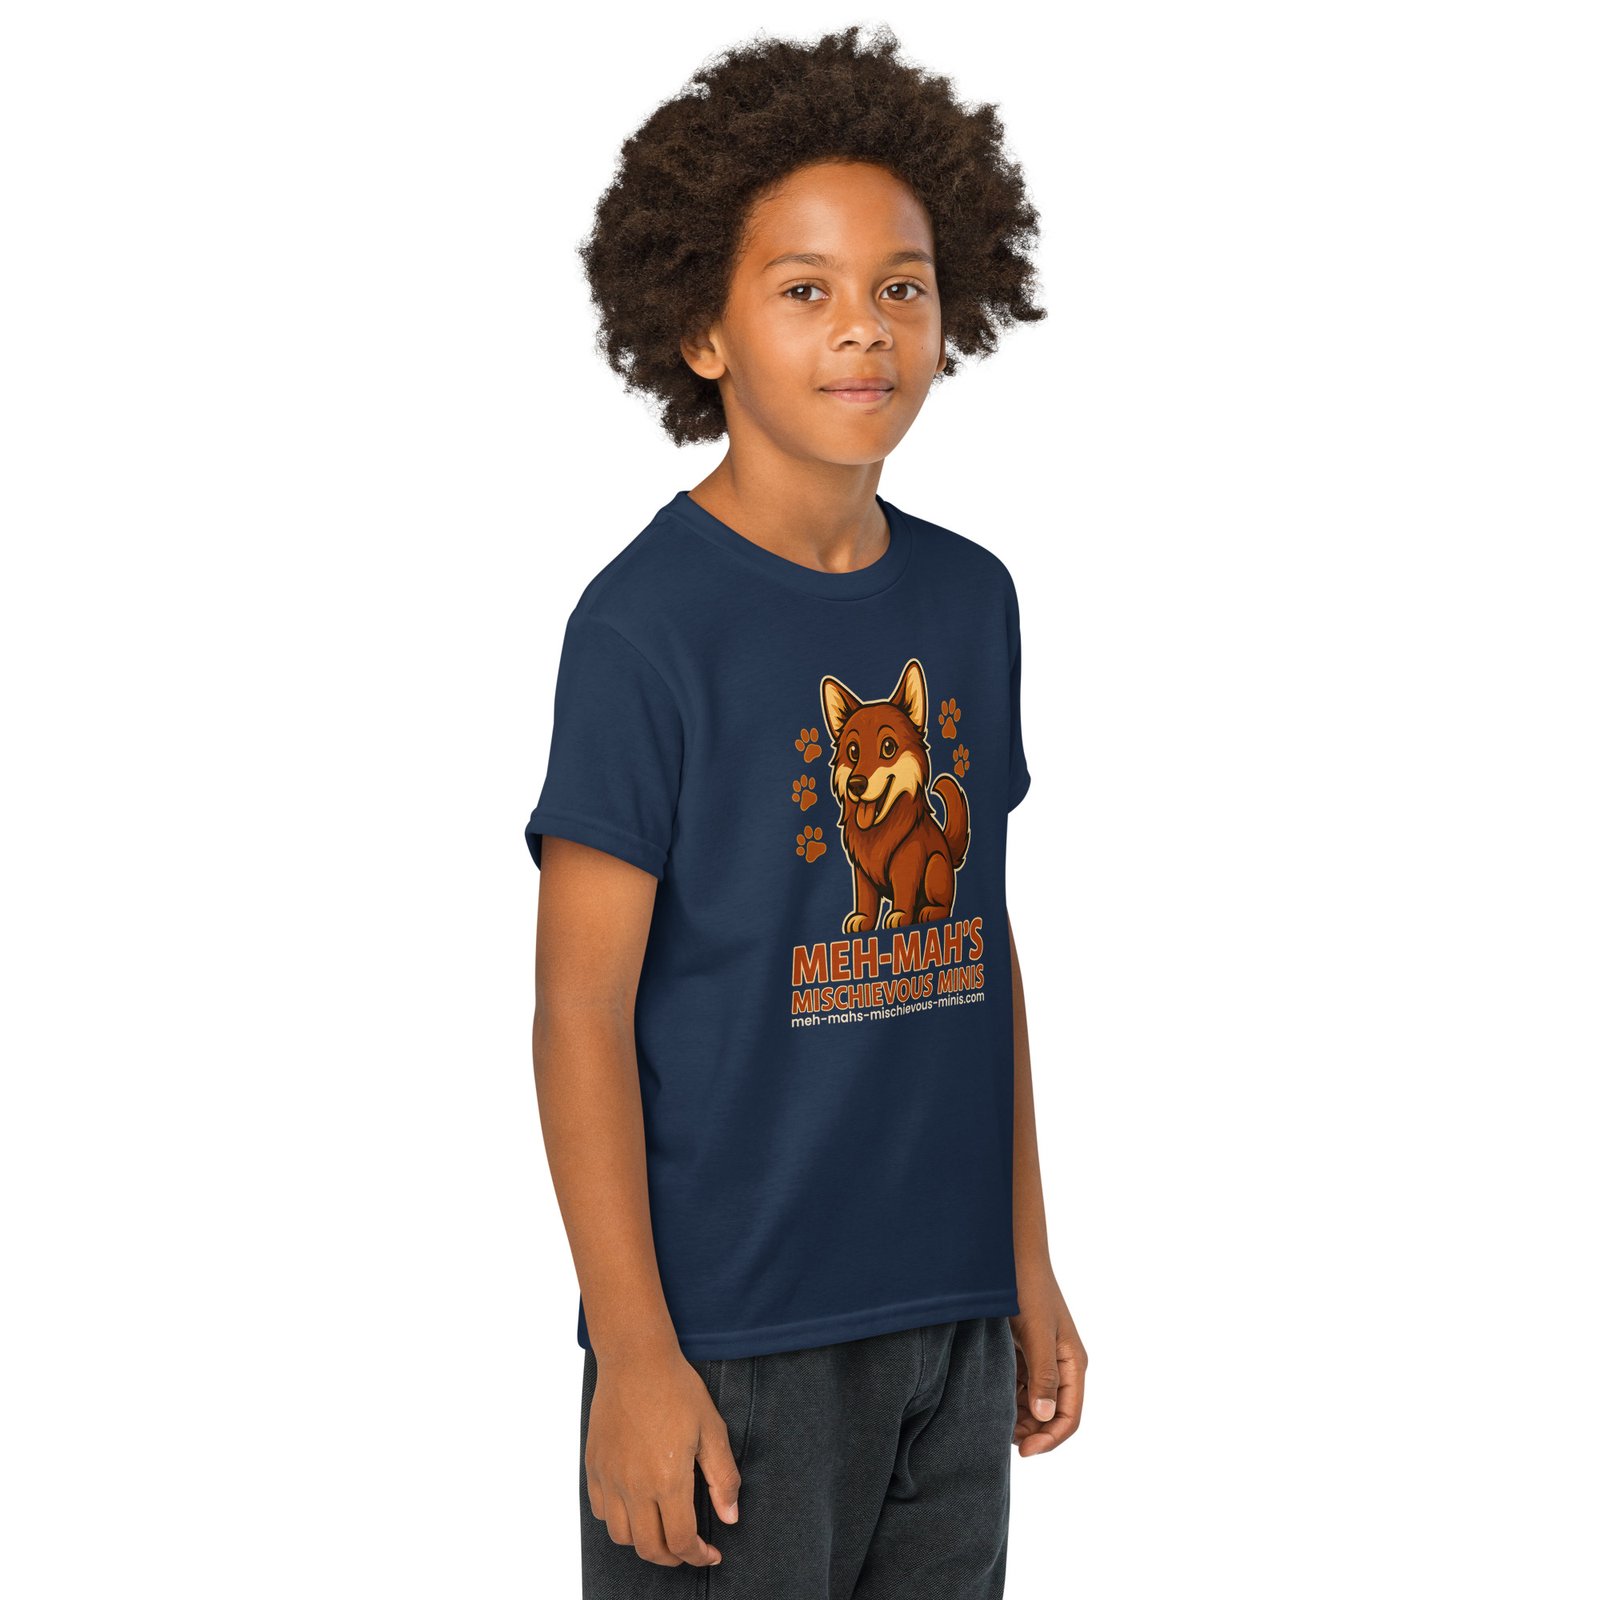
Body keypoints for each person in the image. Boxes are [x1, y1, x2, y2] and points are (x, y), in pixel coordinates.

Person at [524, 25, 1087, 1597]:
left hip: (948, 1325)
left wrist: (1024, 1262)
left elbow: (977, 948)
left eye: (902, 286)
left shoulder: (970, 600)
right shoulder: (645, 629)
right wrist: (636, 1351)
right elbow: (579, 1010)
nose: (863, 330)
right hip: (731, 1346)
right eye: (804, 290)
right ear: (701, 329)